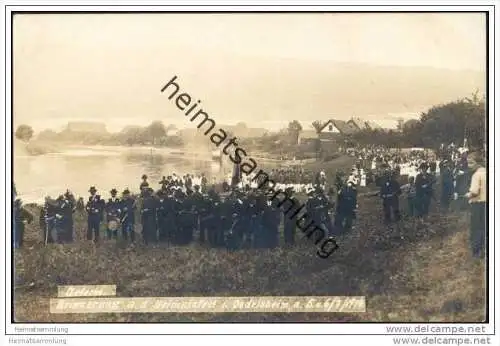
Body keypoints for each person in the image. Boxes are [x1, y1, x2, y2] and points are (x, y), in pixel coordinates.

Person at [465, 152, 487, 259]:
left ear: (478, 163)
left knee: (476, 228)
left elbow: (474, 191)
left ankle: (476, 251)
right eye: (468, 163)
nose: (469, 166)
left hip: (477, 204)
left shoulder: (476, 175)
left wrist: (467, 195)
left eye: (471, 163)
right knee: (485, 226)